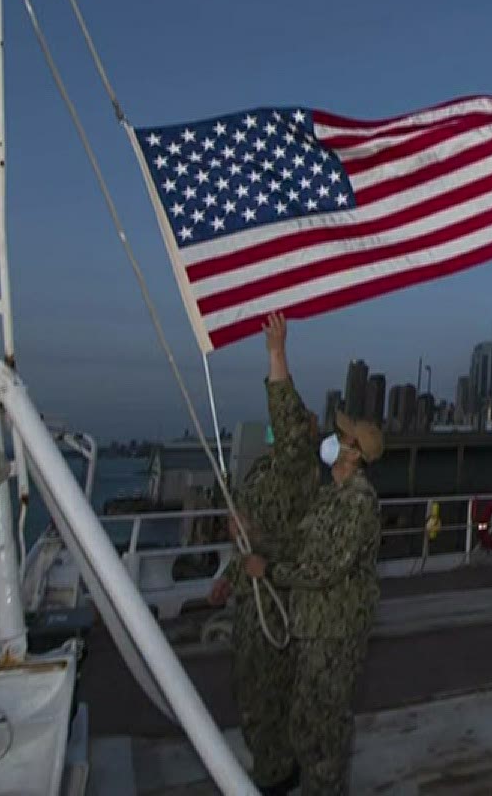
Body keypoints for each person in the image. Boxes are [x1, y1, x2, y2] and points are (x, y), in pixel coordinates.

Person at [244, 409, 384, 796]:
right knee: (304, 722)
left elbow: (326, 569)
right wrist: (256, 537)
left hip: (337, 632)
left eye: (342, 436)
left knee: (324, 728)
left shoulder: (359, 503)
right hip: (314, 627)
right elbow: (299, 545)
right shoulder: (331, 497)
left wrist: (269, 571)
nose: (331, 438)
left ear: (353, 454)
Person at [209, 312, 321, 796]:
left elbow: (286, 413)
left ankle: (277, 776)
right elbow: (249, 535)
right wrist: (231, 576)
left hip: (279, 595)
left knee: (272, 691)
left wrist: (277, 354)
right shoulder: (261, 473)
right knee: (248, 687)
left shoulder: (298, 471)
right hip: (251, 597)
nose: (284, 431)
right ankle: (267, 762)